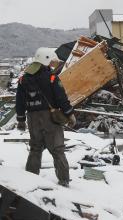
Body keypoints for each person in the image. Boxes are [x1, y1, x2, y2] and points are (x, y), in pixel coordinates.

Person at [15, 47, 76, 187]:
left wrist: (20, 119)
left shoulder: (23, 79)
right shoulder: (52, 77)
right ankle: (64, 180)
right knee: (57, 149)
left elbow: (19, 101)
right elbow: (61, 99)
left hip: (32, 118)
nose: (53, 64)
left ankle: (30, 179)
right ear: (46, 59)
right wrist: (70, 114)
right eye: (52, 61)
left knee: (35, 148)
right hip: (50, 118)